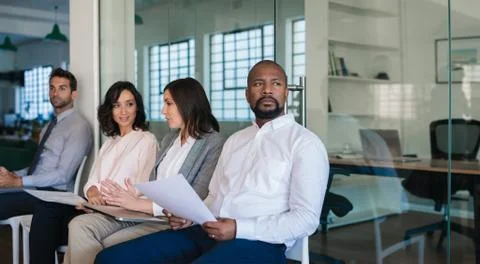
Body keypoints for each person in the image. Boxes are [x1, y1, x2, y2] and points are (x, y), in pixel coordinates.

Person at [95, 60, 329, 264]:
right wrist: (190, 217)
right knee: (111, 259)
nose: (267, 89)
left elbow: (306, 219)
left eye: (276, 83)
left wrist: (238, 228)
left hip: (259, 242)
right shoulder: (235, 141)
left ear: (286, 92)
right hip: (206, 231)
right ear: (247, 93)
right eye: (258, 84)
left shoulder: (305, 144)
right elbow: (214, 197)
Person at [64, 77, 224, 264]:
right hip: (150, 214)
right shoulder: (170, 139)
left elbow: (196, 196)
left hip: (171, 220)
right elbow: (152, 185)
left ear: (187, 103)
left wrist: (132, 200)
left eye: (168, 103)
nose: (163, 111)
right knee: (81, 229)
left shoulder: (212, 142)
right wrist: (126, 195)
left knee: (104, 245)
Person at [29, 81, 159, 264]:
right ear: (110, 110)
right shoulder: (109, 143)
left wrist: (103, 198)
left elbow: (142, 187)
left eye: (129, 104)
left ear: (137, 108)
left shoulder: (146, 140)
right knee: (49, 211)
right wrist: (92, 192)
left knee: (74, 226)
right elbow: (91, 182)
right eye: (116, 105)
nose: (123, 112)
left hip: (124, 212)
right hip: (100, 209)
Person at [0, 68, 93, 220]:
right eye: (52, 88)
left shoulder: (78, 126)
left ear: (74, 94)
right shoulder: (49, 127)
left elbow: (63, 176)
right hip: (34, 188)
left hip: (53, 194)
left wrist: (19, 182)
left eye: (62, 88)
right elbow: (39, 167)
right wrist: (13, 175)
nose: (55, 93)